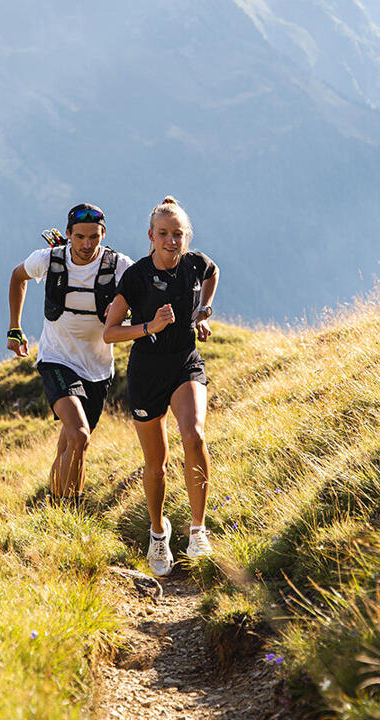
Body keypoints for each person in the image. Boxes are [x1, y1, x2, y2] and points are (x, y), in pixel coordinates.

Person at [103, 196, 219, 576]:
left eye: (179, 234)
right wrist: (149, 327)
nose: (172, 241)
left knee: (195, 435)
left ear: (188, 236)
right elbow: (109, 332)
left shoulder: (195, 264)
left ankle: (198, 530)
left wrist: (202, 310)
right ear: (151, 235)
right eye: (164, 234)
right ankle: (158, 533)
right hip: (147, 372)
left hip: (185, 362)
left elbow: (213, 273)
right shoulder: (135, 277)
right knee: (156, 466)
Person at [7, 203, 133, 505]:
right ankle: (67, 512)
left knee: (70, 443)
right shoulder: (49, 260)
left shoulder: (119, 265)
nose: (87, 245)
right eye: (79, 237)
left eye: (94, 237)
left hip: (99, 367)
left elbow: (140, 296)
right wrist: (15, 328)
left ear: (103, 234)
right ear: (67, 235)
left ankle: (53, 510)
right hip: (57, 360)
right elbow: (17, 276)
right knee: (79, 436)